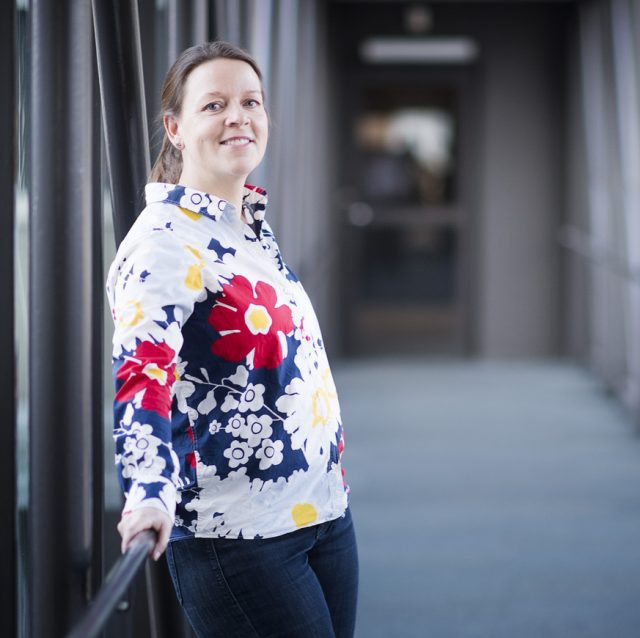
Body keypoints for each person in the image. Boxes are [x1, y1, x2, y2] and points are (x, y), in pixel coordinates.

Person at [106, 41, 357, 638]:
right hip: (240, 536)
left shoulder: (243, 226)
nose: (238, 116)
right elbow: (143, 372)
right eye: (214, 104)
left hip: (320, 509)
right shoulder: (164, 244)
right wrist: (146, 489)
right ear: (175, 128)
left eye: (251, 101)